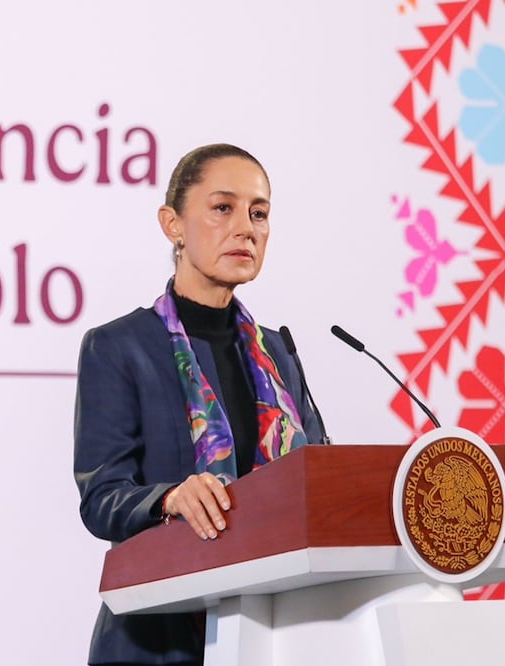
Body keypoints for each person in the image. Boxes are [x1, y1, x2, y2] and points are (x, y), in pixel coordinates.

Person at [73, 143, 324, 665]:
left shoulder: (278, 352)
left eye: (259, 213)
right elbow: (102, 499)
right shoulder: (120, 347)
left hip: (275, 636)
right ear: (173, 224)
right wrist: (170, 498)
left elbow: (318, 480)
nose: (246, 228)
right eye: (222, 207)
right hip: (159, 640)